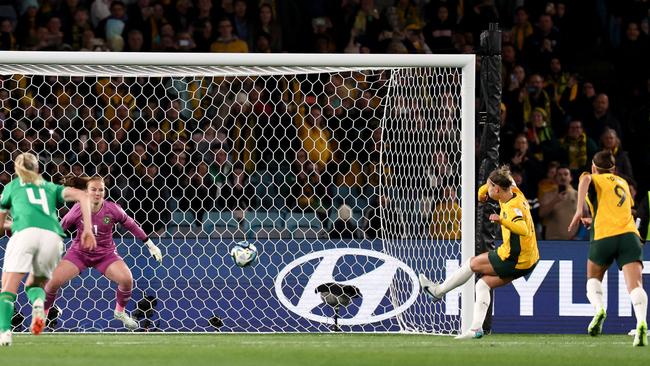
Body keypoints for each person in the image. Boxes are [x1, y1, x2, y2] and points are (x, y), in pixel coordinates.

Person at [419, 166, 539, 339]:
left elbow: (523, 229)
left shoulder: (513, 208)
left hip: (514, 259)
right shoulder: (514, 191)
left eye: (490, 187)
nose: (487, 188)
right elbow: (507, 179)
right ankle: (476, 329)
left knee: (472, 263)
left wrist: (502, 220)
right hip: (529, 259)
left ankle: (438, 291)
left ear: (497, 189)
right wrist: (484, 190)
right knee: (483, 284)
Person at [43, 175, 163, 330]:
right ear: (86, 192)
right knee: (52, 283)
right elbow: (61, 227)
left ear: (105, 192)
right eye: (93, 189)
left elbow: (131, 224)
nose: (97, 193)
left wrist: (149, 244)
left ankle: (119, 312)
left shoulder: (112, 209)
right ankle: (43, 315)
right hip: (79, 254)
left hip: (105, 255)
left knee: (127, 280)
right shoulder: (78, 209)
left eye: (101, 189)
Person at [0, 153, 96, 346]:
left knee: (8, 289)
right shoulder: (51, 187)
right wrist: (87, 229)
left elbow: (1, 226)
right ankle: (37, 304)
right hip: (53, 237)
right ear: (37, 169)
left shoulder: (11, 188)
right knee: (35, 285)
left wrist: (13, 223)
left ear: (17, 170)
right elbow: (83, 195)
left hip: (25, 235)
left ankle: (4, 333)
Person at [568, 150, 647, 346]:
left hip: (604, 236)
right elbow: (618, 211)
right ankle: (641, 323)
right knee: (635, 285)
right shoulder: (623, 184)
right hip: (629, 236)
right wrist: (592, 219)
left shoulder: (591, 176)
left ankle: (599, 309)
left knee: (593, 279)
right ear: (614, 169)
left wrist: (579, 211)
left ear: (594, 167)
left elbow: (585, 180)